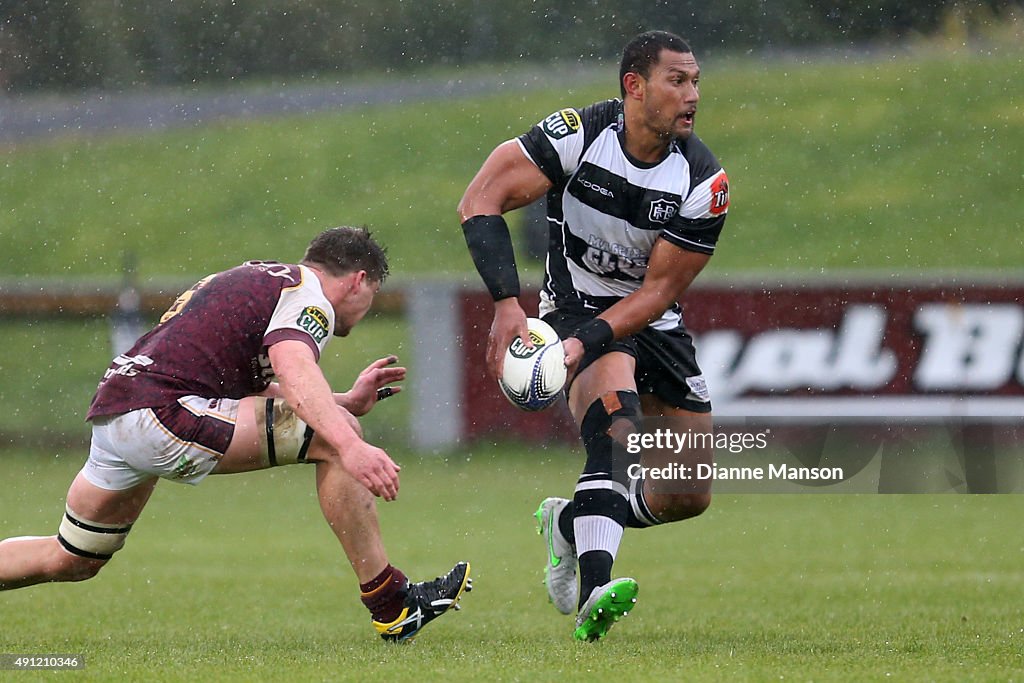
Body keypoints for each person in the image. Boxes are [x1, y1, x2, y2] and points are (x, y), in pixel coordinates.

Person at [0, 226, 471, 642]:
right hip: (162, 413)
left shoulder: (263, 280)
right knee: (336, 438)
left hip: (120, 411)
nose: (366, 309)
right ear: (358, 281)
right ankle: (394, 605)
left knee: (73, 558)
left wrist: (343, 400)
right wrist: (351, 442)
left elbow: (238, 379)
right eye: (372, 295)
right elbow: (294, 367)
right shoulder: (311, 298)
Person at [457, 30, 728, 641]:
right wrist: (506, 304)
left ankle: (572, 523)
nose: (692, 95)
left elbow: (658, 293)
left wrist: (588, 343)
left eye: (695, 82)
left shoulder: (704, 181)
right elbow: (481, 198)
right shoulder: (577, 136)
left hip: (649, 319)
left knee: (687, 495)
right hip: (571, 306)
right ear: (634, 86)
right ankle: (597, 585)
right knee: (616, 427)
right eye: (677, 81)